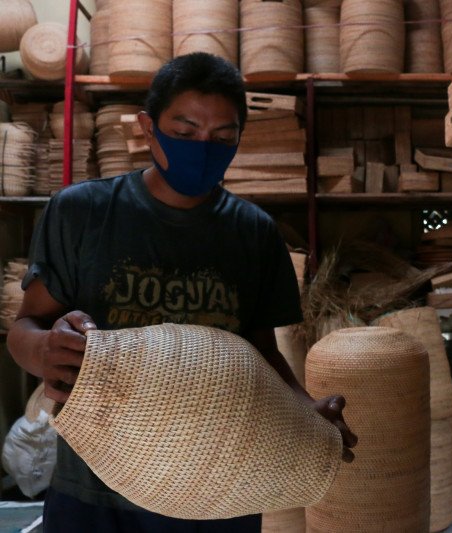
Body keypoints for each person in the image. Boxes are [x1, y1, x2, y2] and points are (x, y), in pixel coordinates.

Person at [7, 52, 357, 533]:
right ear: (148, 127)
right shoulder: (81, 212)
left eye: (222, 137)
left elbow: (260, 351)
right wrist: (45, 350)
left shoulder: (254, 233)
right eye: (186, 131)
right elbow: (25, 325)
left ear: (240, 137)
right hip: (94, 489)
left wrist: (303, 408)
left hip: (220, 486)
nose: (203, 148)